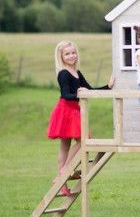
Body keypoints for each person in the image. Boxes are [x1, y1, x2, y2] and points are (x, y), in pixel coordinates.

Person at [47, 40, 115, 196]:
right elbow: (65, 94)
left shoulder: (77, 73)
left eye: (73, 52)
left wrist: (108, 87)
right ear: (61, 57)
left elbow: (89, 90)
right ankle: (65, 170)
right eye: (67, 54)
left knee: (66, 145)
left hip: (74, 111)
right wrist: (80, 93)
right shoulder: (63, 73)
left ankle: (61, 181)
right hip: (65, 110)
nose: (71, 56)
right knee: (82, 140)